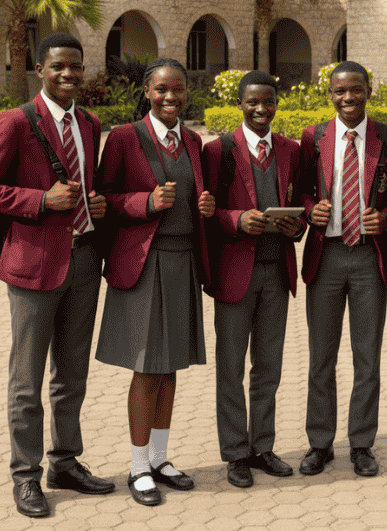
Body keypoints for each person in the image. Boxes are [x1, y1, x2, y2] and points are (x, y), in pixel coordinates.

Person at [0, 33, 114, 518]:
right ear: (39, 69)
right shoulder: (15, 122)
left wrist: (97, 204)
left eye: (75, 66)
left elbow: (88, 185)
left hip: (84, 261)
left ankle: (65, 462)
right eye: (58, 67)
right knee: (27, 381)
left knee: (71, 376)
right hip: (33, 265)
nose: (68, 75)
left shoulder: (90, 123)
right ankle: (25, 476)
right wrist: (37, 201)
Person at [95, 58, 215, 507]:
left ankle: (162, 459)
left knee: (170, 366)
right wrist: (144, 202)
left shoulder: (193, 140)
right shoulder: (126, 138)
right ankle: (137, 465)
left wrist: (205, 206)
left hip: (183, 261)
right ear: (147, 91)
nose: (171, 97)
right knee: (146, 367)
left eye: (178, 89)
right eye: (162, 89)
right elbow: (106, 198)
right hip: (146, 263)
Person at [298, 61, 387, 477]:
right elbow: (303, 189)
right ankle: (319, 443)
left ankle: (362, 443)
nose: (348, 98)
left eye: (355, 90)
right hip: (326, 256)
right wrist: (312, 210)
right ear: (330, 94)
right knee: (321, 357)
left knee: (366, 357)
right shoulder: (315, 136)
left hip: (368, 258)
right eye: (340, 91)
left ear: (368, 91)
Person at [203, 70, 305, 488]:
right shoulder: (218, 151)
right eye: (252, 102)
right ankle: (235, 453)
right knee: (231, 368)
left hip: (276, 271)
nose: (261, 109)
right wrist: (236, 218)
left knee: (269, 366)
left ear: (276, 103)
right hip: (234, 273)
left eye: (268, 102)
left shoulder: (291, 150)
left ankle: (262, 446)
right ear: (240, 104)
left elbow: (301, 202)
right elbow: (206, 210)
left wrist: (295, 226)